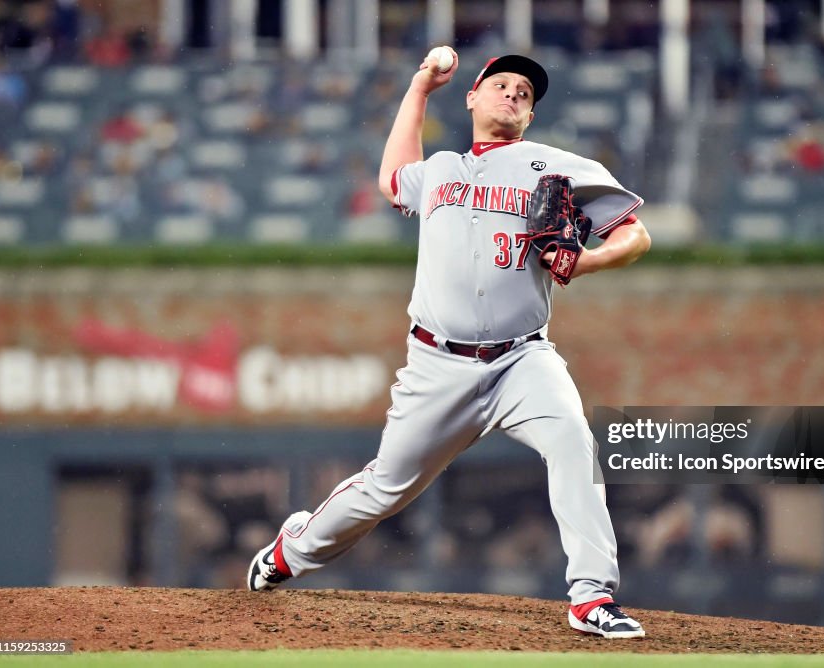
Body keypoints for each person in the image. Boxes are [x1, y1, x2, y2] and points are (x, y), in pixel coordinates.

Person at [247, 50, 652, 639]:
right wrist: (418, 89)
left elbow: (637, 235)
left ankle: (591, 597)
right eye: (501, 85)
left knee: (572, 441)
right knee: (384, 487)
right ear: (472, 97)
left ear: (531, 116)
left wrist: (587, 261)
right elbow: (391, 180)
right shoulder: (439, 169)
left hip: (523, 359)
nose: (513, 94)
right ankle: (293, 551)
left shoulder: (558, 166)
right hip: (438, 363)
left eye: (525, 93)